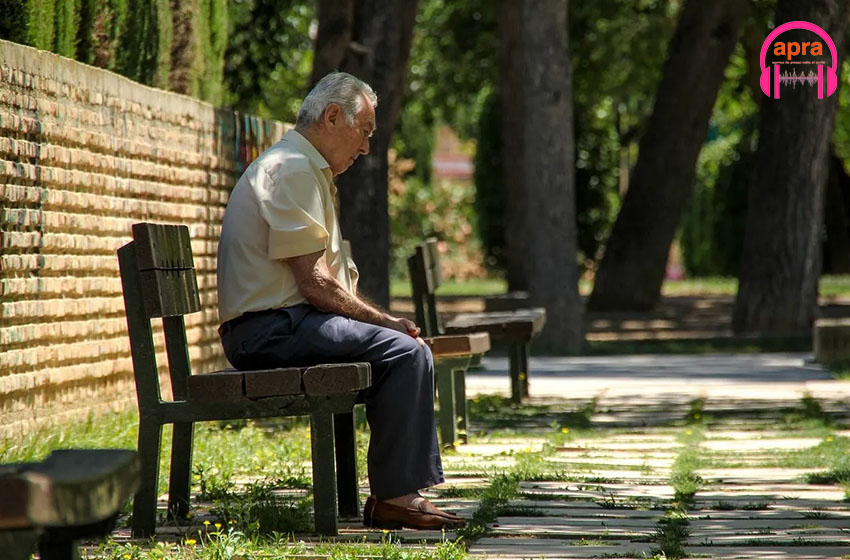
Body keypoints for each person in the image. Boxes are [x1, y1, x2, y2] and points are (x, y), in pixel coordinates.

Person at [216, 72, 463, 530]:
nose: (366, 147)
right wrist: (384, 321)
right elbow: (315, 284)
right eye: (364, 131)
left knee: (404, 351)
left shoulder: (304, 168)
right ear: (332, 117)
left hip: (283, 324)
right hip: (269, 330)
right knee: (405, 352)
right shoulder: (291, 168)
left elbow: (326, 284)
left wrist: (380, 323)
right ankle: (397, 498)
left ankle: (396, 493)